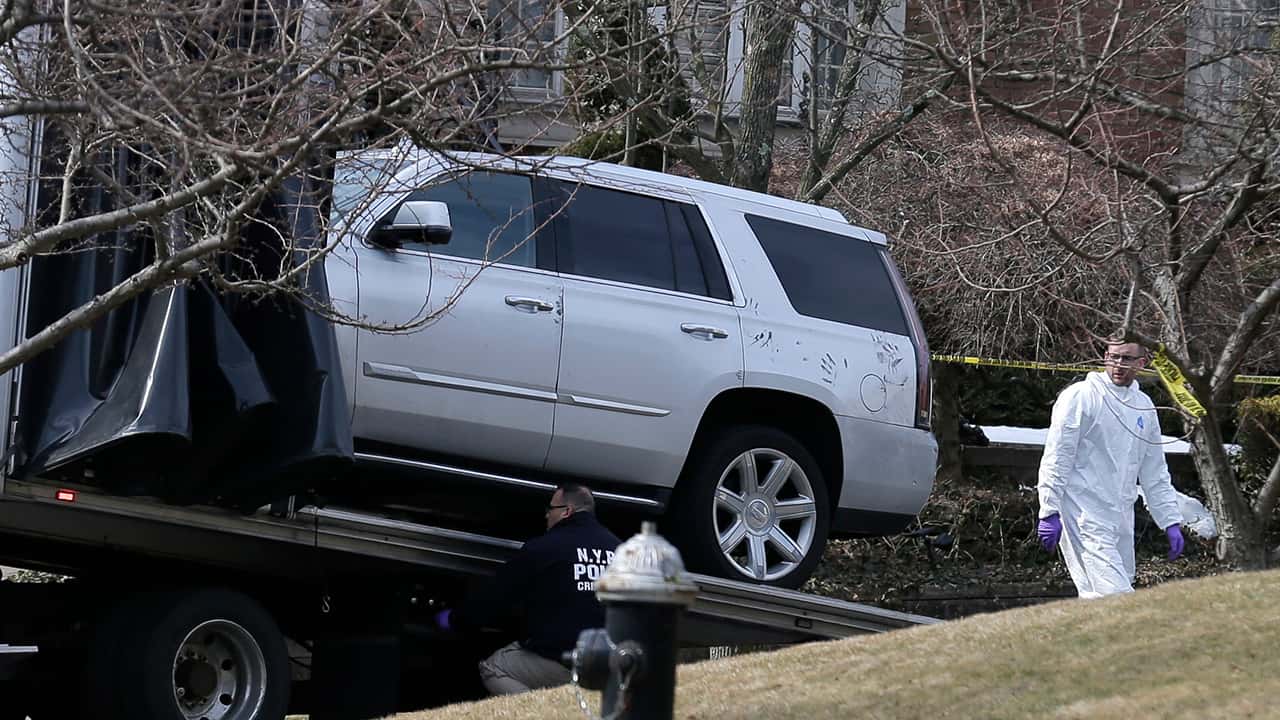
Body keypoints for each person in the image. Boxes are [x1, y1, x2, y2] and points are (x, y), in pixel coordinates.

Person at [434, 483, 621, 695]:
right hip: (610, 667)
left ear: (566, 512)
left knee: (494, 667)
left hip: (565, 663)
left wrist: (456, 619)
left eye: (550, 509)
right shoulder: (620, 550)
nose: (546, 515)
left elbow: (495, 597)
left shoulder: (544, 547)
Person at [1036, 337, 1186, 599]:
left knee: (1098, 595)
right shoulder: (1081, 397)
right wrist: (1048, 509)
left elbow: (1154, 471)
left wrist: (1169, 519)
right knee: (1117, 596)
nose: (1118, 364)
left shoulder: (1143, 406)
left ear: (1142, 363)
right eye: (1113, 357)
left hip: (1120, 515)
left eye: (1126, 358)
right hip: (1083, 513)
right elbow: (1057, 457)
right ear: (1105, 356)